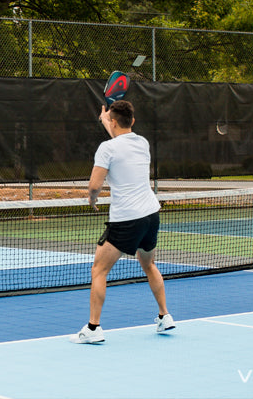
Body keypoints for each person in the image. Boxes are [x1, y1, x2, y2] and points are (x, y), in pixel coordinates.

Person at [70, 100, 175, 344]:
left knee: (99, 270)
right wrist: (107, 121)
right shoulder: (142, 142)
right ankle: (164, 316)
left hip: (126, 219)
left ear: (115, 122)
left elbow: (95, 185)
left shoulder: (106, 148)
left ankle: (93, 329)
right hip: (151, 215)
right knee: (149, 265)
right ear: (133, 121)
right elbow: (120, 141)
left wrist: (92, 199)